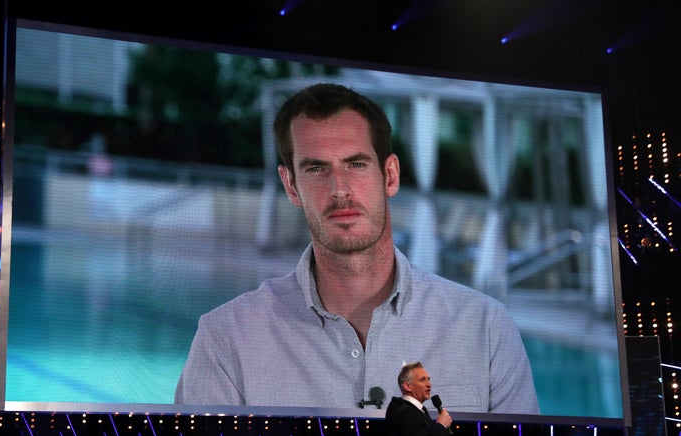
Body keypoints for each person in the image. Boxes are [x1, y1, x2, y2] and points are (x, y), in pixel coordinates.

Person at [174, 82, 539, 414]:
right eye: (316, 168)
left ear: (390, 175)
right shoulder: (227, 340)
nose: (340, 189)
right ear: (291, 186)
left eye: (356, 164)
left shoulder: (485, 330)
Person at [385, 362, 453, 436]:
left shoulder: (416, 410)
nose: (429, 384)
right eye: (422, 380)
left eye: (428, 379)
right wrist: (441, 426)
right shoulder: (406, 413)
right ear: (408, 386)